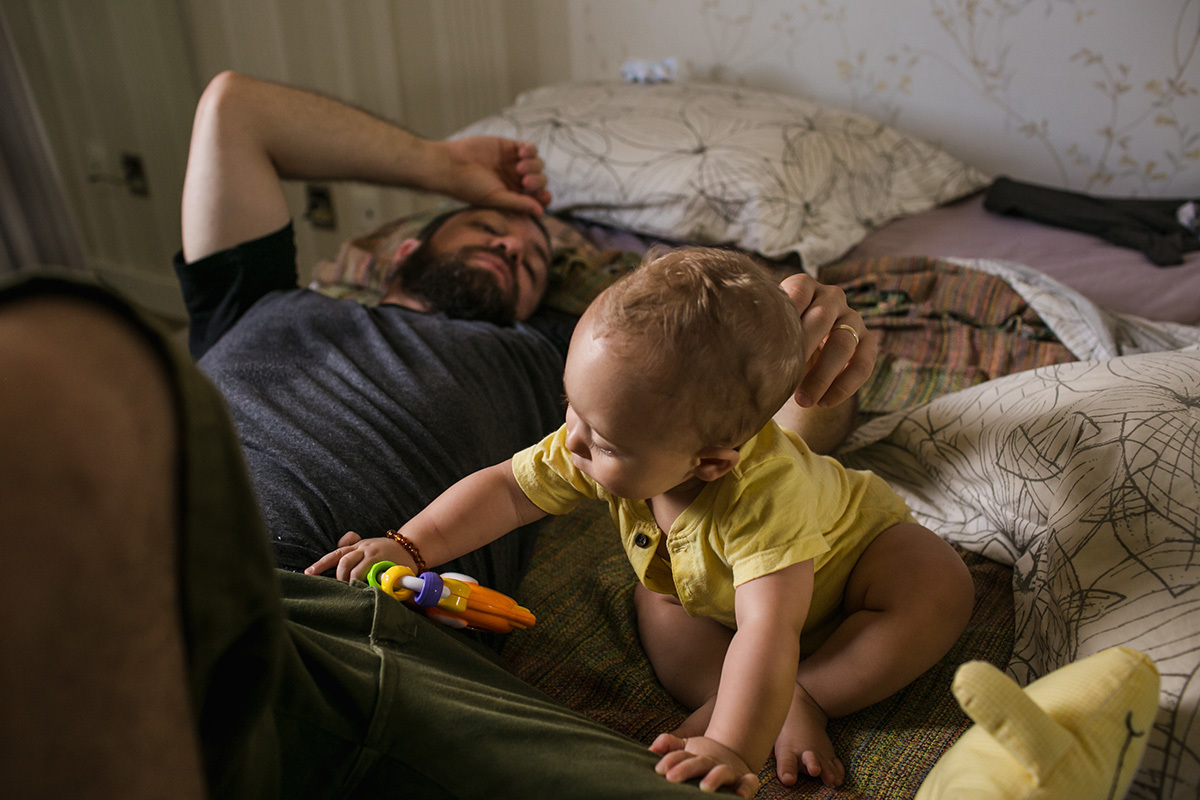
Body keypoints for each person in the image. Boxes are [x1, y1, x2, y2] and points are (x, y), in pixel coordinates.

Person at [0, 71, 875, 799]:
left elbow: (760, 461)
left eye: (535, 259)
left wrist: (809, 369)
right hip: (150, 553)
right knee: (62, 358)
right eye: (487, 226)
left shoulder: (573, 373)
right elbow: (235, 107)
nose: (513, 246)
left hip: (352, 623)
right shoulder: (259, 301)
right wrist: (448, 167)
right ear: (404, 251)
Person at [310, 247, 975, 796]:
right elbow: (507, 490)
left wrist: (729, 747)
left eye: (602, 442)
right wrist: (408, 545)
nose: (572, 443)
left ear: (710, 463)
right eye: (571, 408)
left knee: (937, 583)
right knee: (658, 603)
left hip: (849, 569)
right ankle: (760, 698)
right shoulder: (597, 435)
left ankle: (809, 696)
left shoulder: (765, 496)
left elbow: (769, 631)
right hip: (714, 597)